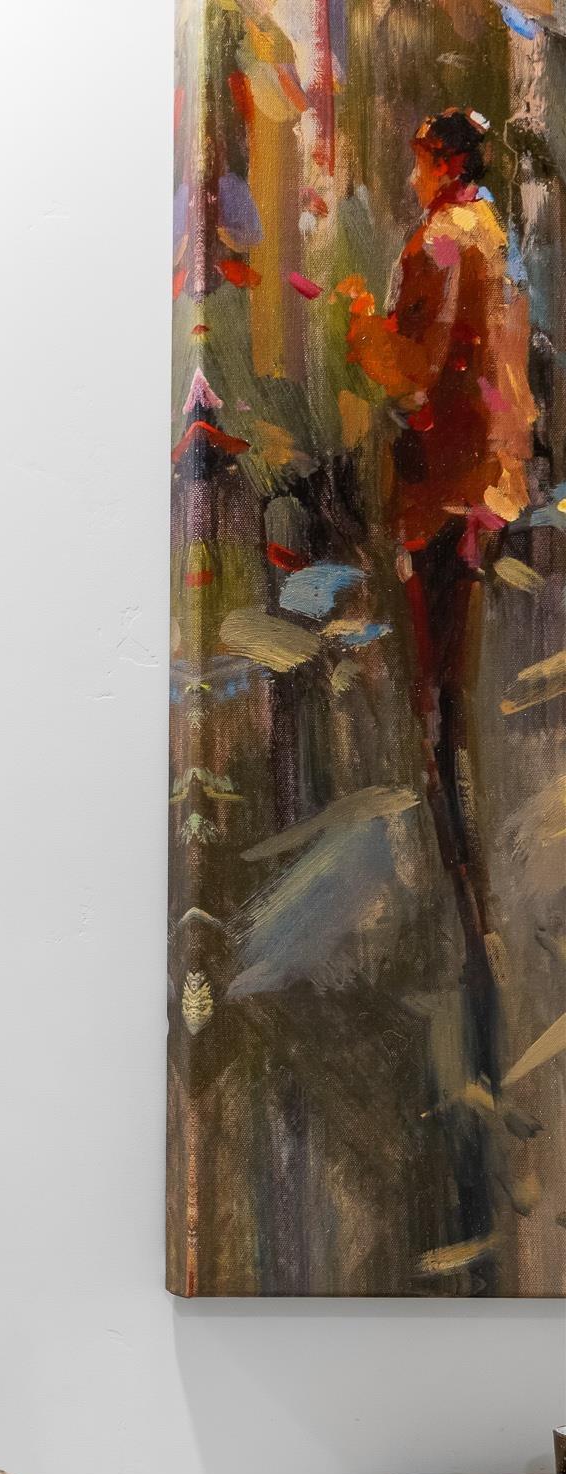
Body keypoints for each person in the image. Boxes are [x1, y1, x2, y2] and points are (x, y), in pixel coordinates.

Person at [347, 106, 535, 1092]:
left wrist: (358, 329)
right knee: (459, 695)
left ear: (439, 162)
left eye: (418, 159)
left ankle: (468, 915)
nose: (411, 174)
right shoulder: (493, 230)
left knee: (437, 708)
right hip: (493, 483)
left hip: (443, 495)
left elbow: (414, 380)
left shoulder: (436, 241)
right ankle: (475, 902)